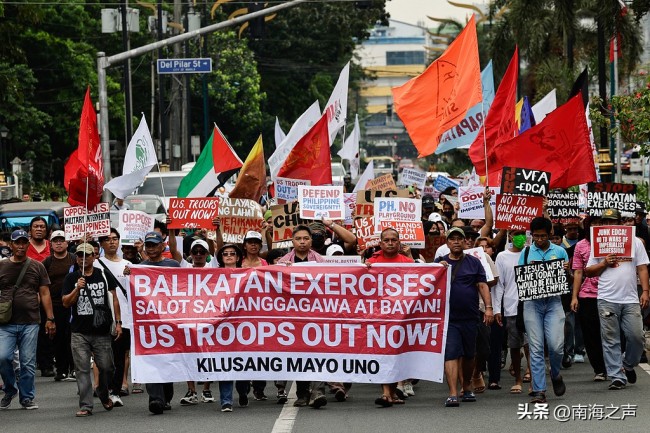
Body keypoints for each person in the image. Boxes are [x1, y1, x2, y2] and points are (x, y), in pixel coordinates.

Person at [584, 208, 649, 390]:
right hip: (606, 298)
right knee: (610, 338)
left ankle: (627, 364)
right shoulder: (598, 243)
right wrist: (604, 262)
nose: (608, 225)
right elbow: (589, 271)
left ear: (620, 223)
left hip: (630, 299)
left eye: (612, 221)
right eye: (605, 222)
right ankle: (616, 376)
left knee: (637, 337)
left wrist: (645, 291)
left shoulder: (635, 241)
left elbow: (642, 267)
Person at [62, 243, 123, 417]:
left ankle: (102, 391)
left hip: (101, 331)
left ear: (94, 256)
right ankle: (86, 405)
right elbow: (66, 302)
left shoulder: (103, 274)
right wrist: (77, 288)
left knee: (107, 367)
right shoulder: (71, 278)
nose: (83, 258)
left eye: (87, 255)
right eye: (79, 255)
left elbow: (114, 299)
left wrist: (118, 322)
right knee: (82, 369)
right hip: (79, 332)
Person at [435, 227, 493, 407]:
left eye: (459, 238)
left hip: (470, 316)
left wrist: (489, 308)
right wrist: (437, 269)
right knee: (451, 354)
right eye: (452, 239)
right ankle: (453, 392)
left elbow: (482, 285)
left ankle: (467, 386)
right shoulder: (439, 262)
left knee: (469, 355)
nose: (456, 241)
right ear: (447, 243)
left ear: (464, 241)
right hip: (448, 318)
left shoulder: (474, 262)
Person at [125, 231, 180, 414]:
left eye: (154, 245)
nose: (151, 248)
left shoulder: (173, 265)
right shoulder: (139, 268)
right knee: (150, 358)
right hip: (148, 321)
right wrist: (129, 276)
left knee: (167, 359)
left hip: (169, 320)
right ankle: (155, 398)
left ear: (162, 246)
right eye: (148, 245)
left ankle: (166, 396)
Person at [0, 229, 55, 410]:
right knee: (3, 357)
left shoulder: (37, 266)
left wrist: (50, 318)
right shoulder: (2, 265)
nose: (21, 246)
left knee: (27, 362)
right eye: (17, 242)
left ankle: (27, 397)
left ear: (28, 245)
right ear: (11, 245)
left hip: (30, 321)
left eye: (24, 242)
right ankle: (10, 389)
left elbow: (45, 293)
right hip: (6, 322)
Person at [519, 217, 569, 404]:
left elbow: (569, 279)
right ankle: (539, 390)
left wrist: (566, 270)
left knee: (556, 346)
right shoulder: (526, 252)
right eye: (536, 236)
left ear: (550, 234)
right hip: (532, 304)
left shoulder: (560, 251)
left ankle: (555, 373)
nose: (539, 239)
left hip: (554, 303)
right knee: (536, 347)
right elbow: (519, 279)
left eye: (543, 236)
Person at [277, 226, 328, 409]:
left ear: (311, 241)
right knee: (298, 354)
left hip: (315, 313)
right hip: (293, 316)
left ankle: (318, 392)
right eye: (298, 238)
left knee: (317, 353)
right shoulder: (283, 261)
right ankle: (302, 393)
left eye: (306, 238)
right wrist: (283, 271)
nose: (302, 242)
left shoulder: (320, 261)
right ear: (292, 241)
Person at [366, 228, 414, 407]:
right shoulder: (372, 262)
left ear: (399, 242)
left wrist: (440, 268)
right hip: (379, 317)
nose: (390, 243)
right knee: (384, 354)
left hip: (401, 316)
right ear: (380, 243)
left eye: (394, 240)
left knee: (397, 354)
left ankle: (392, 393)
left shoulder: (408, 263)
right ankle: (386, 393)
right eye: (386, 240)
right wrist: (364, 269)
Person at [179, 240, 217, 407]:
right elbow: (175, 251)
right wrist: (172, 230)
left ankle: (206, 389)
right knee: (188, 353)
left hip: (208, 317)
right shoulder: (185, 267)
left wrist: (216, 231)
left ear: (207, 254)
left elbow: (218, 249)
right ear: (191, 254)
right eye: (195, 251)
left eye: (202, 251)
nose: (199, 254)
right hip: (188, 317)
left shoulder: (212, 267)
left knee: (207, 353)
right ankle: (191, 390)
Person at [96, 229, 132, 405]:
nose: (112, 242)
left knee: (119, 356)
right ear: (101, 243)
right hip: (103, 317)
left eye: (115, 239)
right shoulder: (96, 264)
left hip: (124, 317)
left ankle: (115, 391)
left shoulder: (128, 264)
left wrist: (131, 275)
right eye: (107, 239)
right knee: (104, 358)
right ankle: (103, 387)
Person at [570, 216, 607, 382]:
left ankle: (614, 364)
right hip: (588, 295)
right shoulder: (581, 245)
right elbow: (578, 272)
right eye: (593, 225)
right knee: (591, 334)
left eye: (600, 224)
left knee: (611, 332)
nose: (596, 227)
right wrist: (574, 297)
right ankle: (599, 369)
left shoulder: (612, 242)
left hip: (610, 294)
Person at [493, 229, 530, 394]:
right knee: (514, 345)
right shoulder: (502, 256)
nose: (520, 237)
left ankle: (532, 376)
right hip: (511, 307)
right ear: (509, 236)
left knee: (531, 344)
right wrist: (496, 309)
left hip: (531, 305)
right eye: (516, 233)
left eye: (522, 233)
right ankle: (518, 379)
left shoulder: (532, 252)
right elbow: (499, 285)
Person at [41, 230, 76, 382]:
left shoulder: (75, 259)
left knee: (73, 337)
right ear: (51, 244)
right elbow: (42, 286)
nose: (59, 243)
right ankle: (61, 369)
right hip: (55, 305)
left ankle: (74, 368)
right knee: (58, 338)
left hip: (73, 304)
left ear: (67, 243)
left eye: (62, 240)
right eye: (56, 240)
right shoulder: (46, 263)